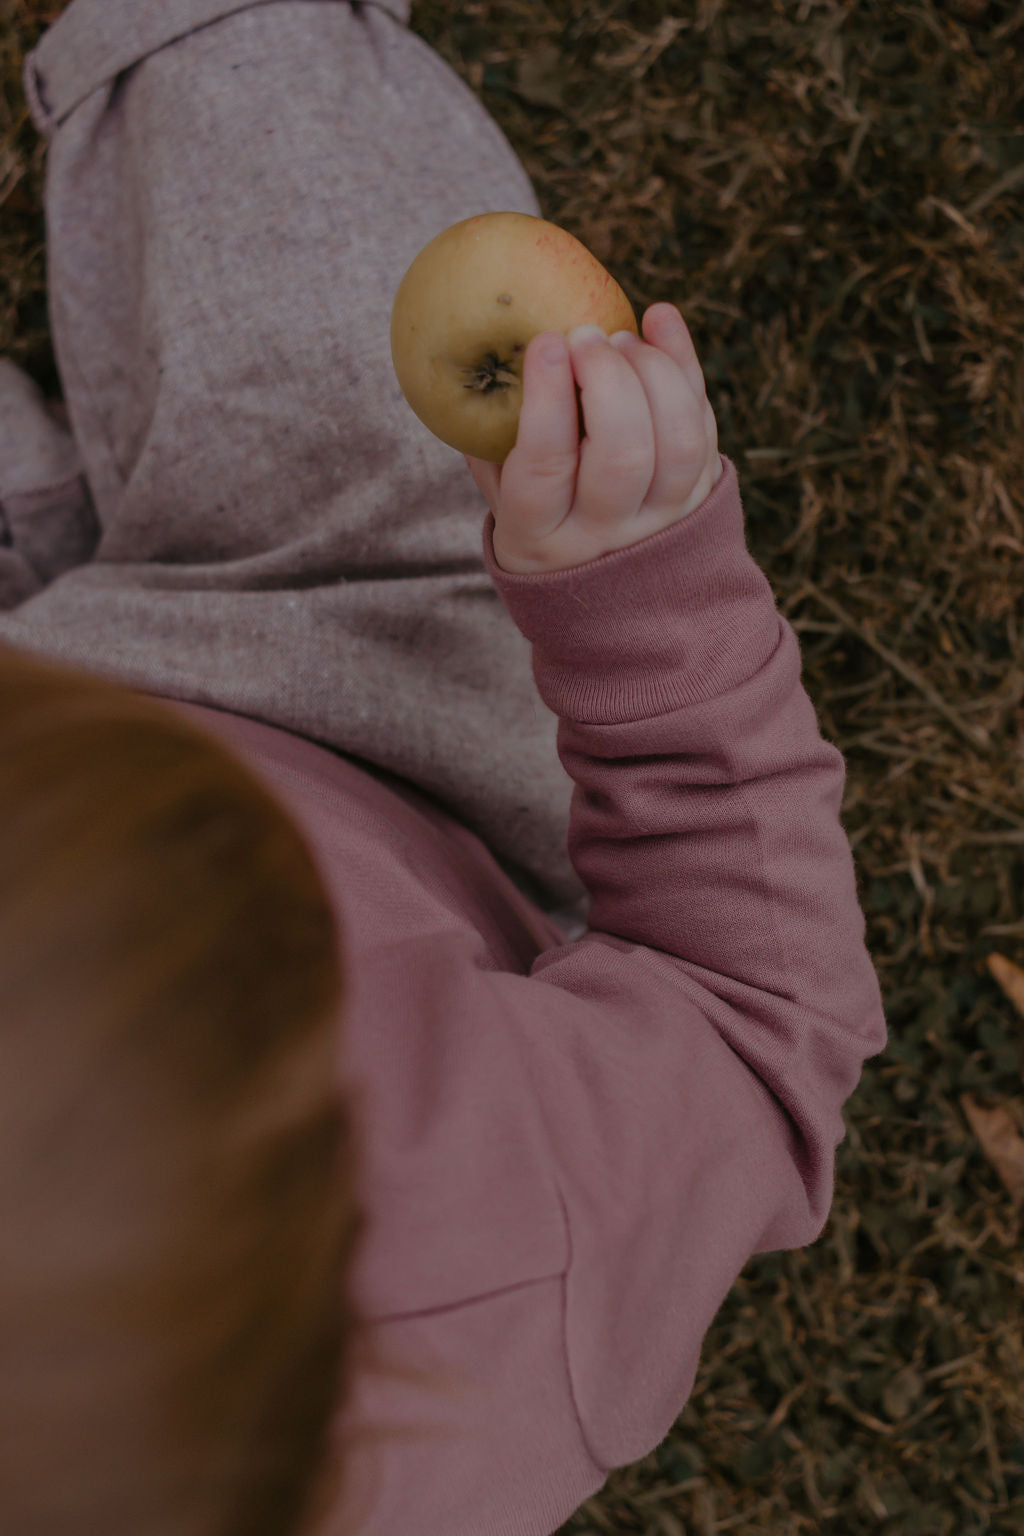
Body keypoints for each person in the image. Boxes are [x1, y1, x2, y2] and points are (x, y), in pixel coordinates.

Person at [0, 2, 889, 1534]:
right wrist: (634, 583)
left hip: (80, 704)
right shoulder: (511, 1261)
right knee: (292, 183)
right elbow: (758, 1018)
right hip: (379, 705)